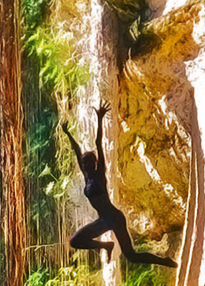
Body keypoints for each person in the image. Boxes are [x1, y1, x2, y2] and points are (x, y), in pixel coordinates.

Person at [63, 102, 177, 268]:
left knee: (131, 256)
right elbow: (77, 150)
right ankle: (105, 245)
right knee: (75, 241)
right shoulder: (86, 176)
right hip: (103, 220)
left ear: (95, 162)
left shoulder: (100, 172)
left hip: (115, 218)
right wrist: (68, 133)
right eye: (84, 162)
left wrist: (100, 118)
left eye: (89, 161)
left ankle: (164, 261)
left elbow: (98, 142)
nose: (85, 164)